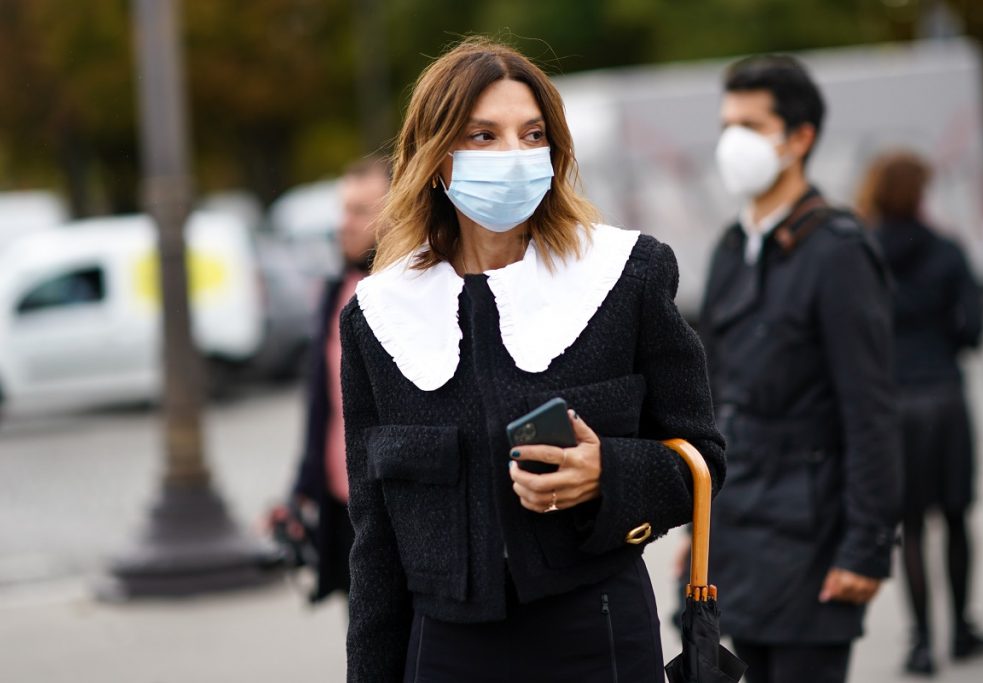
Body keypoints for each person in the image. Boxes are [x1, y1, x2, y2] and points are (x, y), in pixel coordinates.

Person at [339, 37, 725, 682]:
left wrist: (610, 473)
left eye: (532, 133)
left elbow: (704, 458)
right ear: (436, 158)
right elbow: (374, 544)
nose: (513, 156)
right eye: (483, 136)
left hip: (596, 628)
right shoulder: (379, 314)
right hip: (445, 651)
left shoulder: (624, 274)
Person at [698, 55, 901, 683]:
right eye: (727, 123)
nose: (732, 141)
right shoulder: (731, 249)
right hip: (740, 541)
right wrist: (700, 533)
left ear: (800, 138)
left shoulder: (837, 251)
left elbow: (870, 412)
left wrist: (866, 547)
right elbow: (715, 403)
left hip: (813, 548)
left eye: (751, 126)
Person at [858, 151, 983, 676]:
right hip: (944, 397)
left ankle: (921, 642)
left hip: (892, 404)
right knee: (956, 517)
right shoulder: (946, 250)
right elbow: (973, 331)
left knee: (910, 525)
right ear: (919, 194)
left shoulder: (864, 253)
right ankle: (962, 629)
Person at [271, 156, 390, 602]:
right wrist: (301, 491)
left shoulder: (419, 294)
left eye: (360, 211)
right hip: (343, 506)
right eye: (342, 210)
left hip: (396, 510)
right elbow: (322, 406)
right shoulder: (335, 292)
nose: (344, 224)